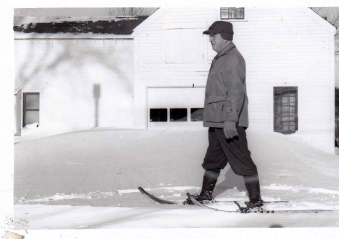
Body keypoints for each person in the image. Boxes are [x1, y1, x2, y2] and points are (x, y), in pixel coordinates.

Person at [184, 21, 263, 210]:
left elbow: (235, 92)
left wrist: (230, 119)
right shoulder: (221, 58)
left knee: (242, 158)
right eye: (209, 36)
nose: (210, 39)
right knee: (213, 159)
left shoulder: (232, 59)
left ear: (225, 36)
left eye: (213, 35)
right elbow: (218, 92)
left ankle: (255, 201)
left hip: (228, 122)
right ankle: (205, 195)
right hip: (218, 120)